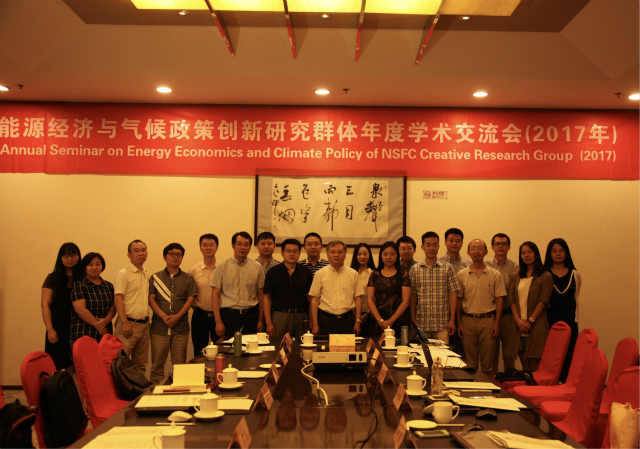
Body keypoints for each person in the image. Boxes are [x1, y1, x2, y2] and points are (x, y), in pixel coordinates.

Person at [148, 243, 197, 384]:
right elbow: (151, 299)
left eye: (179, 255)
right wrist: (164, 317)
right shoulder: (155, 277)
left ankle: (178, 392)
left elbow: (190, 299)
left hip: (180, 328)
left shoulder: (188, 278)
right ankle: (156, 393)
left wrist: (177, 317)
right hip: (159, 328)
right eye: (172, 254)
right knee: (157, 367)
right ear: (165, 257)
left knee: (180, 367)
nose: (175, 257)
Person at [456, 239, 506, 375]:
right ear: (468, 252)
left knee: (487, 364)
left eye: (480, 248)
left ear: (486, 252)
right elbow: (458, 300)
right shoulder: (461, 275)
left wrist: (497, 323)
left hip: (488, 321)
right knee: (470, 363)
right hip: (467, 320)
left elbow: (499, 300)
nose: (476, 251)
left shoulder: (495, 275)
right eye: (473, 248)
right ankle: (472, 388)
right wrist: (459, 322)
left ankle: (488, 387)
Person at [504, 242, 553, 372]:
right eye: (523, 253)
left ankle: (537, 387)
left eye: (529, 252)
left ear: (536, 253)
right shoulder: (516, 276)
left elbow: (543, 301)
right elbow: (512, 300)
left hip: (536, 326)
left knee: (536, 368)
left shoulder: (546, 276)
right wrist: (518, 320)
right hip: (519, 327)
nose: (526, 255)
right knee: (525, 367)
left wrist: (530, 321)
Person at [212, 232, 265, 339]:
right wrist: (218, 321)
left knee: (251, 347)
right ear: (233, 245)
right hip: (229, 316)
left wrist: (260, 320)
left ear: (250, 247)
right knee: (229, 347)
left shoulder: (257, 267)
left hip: (251, 316)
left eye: (246, 244)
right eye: (239, 244)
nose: (243, 247)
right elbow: (215, 295)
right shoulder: (222, 266)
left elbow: (261, 295)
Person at [409, 232, 460, 343]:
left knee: (444, 353)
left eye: (434, 245)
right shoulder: (415, 269)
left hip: (442, 324)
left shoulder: (448, 268)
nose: (432, 248)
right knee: (422, 352)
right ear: (422, 247)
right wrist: (412, 317)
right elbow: (413, 295)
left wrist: (452, 320)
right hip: (422, 323)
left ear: (438, 246)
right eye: (428, 245)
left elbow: (452, 294)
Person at [544, 238, 582, 383]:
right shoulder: (544, 274)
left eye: (561, 250)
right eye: (554, 251)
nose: (558, 254)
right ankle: (551, 384)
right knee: (552, 355)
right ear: (550, 254)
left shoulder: (574, 274)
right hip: (550, 320)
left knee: (569, 354)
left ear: (566, 253)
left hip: (570, 320)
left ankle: (566, 384)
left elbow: (576, 296)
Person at [41, 243, 84, 370]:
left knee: (76, 363)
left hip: (79, 325)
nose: (70, 259)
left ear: (78, 257)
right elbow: (45, 304)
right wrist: (50, 329)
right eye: (66, 256)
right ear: (60, 257)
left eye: (73, 255)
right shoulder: (52, 278)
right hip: (58, 325)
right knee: (56, 362)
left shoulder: (84, 278)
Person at [263, 238, 313, 344]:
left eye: (295, 251)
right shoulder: (273, 272)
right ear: (282, 253)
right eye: (288, 251)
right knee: (278, 346)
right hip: (279, 316)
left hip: (301, 316)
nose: (292, 254)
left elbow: (310, 298)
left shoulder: (305, 271)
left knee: (302, 345)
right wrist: (268, 322)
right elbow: (267, 298)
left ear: (299, 253)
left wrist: (312, 320)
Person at [309, 240, 364, 335]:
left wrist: (358, 321)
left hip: (348, 319)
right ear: (327, 255)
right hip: (326, 319)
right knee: (326, 344)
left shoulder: (353, 274)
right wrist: (315, 324)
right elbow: (315, 300)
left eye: (340, 252)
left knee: (348, 344)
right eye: (332, 252)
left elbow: (357, 299)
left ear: (345, 254)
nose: (336, 255)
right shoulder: (320, 274)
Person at [113, 240, 150, 374]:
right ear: (129, 255)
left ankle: (138, 388)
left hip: (144, 325)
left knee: (141, 365)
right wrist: (124, 322)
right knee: (121, 364)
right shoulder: (124, 273)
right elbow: (118, 299)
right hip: (128, 324)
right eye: (136, 251)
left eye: (143, 250)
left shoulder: (145, 273)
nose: (141, 253)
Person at [70, 252, 116, 357]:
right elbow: (80, 310)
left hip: (105, 331)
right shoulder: (79, 285)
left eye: (98, 264)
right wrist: (99, 326)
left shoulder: (108, 286)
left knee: (106, 361)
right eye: (90, 265)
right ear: (84, 267)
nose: (94, 267)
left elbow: (113, 307)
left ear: (102, 266)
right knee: (86, 362)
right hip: (84, 330)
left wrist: (106, 321)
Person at [486, 233, 519, 372]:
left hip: (509, 315)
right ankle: (492, 381)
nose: (500, 246)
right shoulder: (485, 265)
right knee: (491, 354)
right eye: (497, 244)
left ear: (509, 246)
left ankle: (510, 381)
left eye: (504, 244)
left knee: (509, 354)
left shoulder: (516, 266)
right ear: (492, 247)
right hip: (490, 315)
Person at [366, 241, 411, 337]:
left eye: (392, 254)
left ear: (397, 255)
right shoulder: (374, 274)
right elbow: (369, 300)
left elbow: (406, 301)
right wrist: (380, 321)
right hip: (378, 322)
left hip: (398, 321)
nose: (388, 257)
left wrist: (391, 321)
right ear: (381, 256)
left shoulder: (403, 275)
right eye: (385, 254)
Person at [189, 233, 219, 356]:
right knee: (199, 351)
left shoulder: (223, 268)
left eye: (211, 245)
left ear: (217, 247)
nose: (208, 248)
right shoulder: (193, 270)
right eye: (205, 245)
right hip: (200, 316)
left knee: (220, 350)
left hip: (219, 316)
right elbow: (190, 295)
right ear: (200, 248)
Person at [350, 243, 375, 336]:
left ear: (369, 255)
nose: (362, 257)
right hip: (351, 314)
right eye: (359, 254)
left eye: (365, 254)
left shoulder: (374, 273)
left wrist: (367, 314)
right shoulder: (350, 273)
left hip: (371, 315)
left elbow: (376, 297)